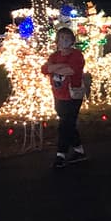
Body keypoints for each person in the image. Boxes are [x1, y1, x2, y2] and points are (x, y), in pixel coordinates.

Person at [41, 26, 86, 169]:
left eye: (67, 38)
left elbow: (71, 70)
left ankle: (61, 154)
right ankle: (79, 151)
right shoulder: (54, 56)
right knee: (69, 124)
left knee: (64, 125)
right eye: (61, 38)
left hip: (73, 95)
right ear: (57, 41)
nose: (64, 41)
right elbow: (44, 69)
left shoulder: (77, 55)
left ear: (72, 40)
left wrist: (54, 67)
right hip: (58, 95)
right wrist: (59, 67)